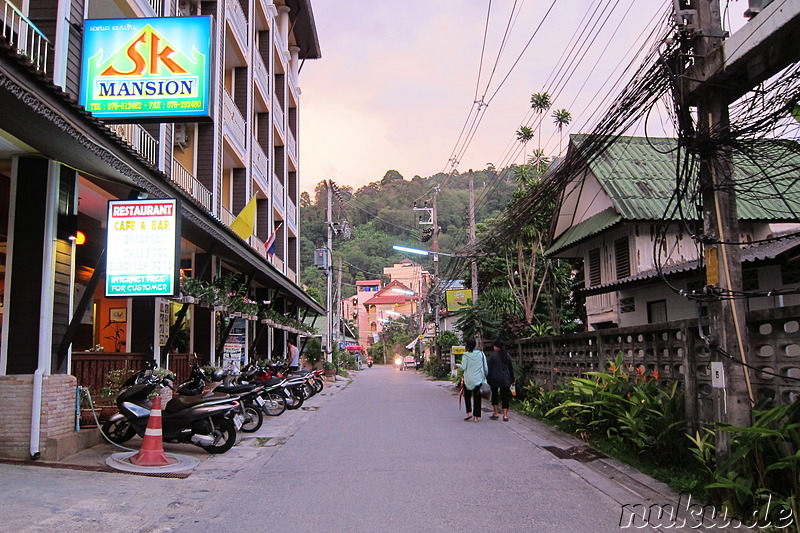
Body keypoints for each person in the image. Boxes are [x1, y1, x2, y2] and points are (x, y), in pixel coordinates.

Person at [457, 338, 488, 422]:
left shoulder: (465, 355)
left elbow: (463, 367)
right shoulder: (481, 354)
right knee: (477, 398)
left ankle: (469, 412)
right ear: (475, 345)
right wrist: (485, 377)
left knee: (467, 396)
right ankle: (476, 417)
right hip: (478, 379)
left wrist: (457, 365)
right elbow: (485, 367)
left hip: (468, 380)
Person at [487, 339, 515, 422]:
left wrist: (488, 379)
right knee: (505, 397)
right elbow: (511, 369)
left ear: (497, 347)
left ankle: (496, 413)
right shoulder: (507, 356)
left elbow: (490, 369)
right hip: (505, 379)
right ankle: (505, 415)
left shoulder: (493, 356)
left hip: (494, 379)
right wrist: (512, 380)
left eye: (494, 346)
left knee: (495, 395)